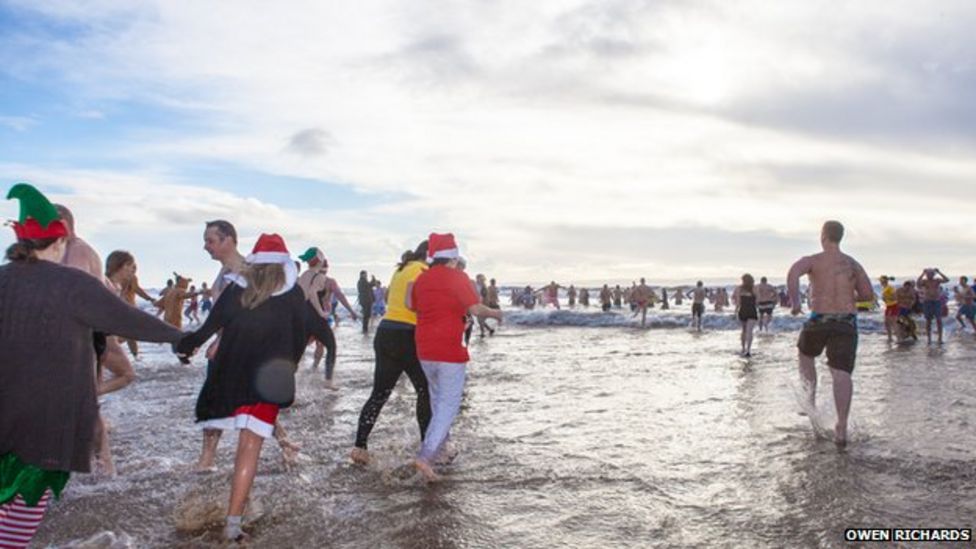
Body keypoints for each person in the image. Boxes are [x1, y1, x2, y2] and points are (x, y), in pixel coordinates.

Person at [0, 184, 183, 547]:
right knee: (25, 505)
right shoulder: (72, 283)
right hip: (44, 423)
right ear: (58, 242)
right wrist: (185, 337)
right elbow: (128, 320)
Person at [176, 233, 333, 542]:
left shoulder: (237, 291)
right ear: (285, 266)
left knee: (232, 439)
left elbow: (206, 329)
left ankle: (218, 506)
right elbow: (314, 332)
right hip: (267, 385)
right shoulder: (291, 298)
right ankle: (233, 525)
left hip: (230, 378)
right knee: (249, 448)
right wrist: (310, 368)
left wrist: (184, 347)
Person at [410, 233, 502, 481]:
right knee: (448, 406)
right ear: (452, 258)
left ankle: (439, 451)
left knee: (437, 399)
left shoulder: (421, 279)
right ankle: (426, 456)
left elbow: (411, 304)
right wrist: (495, 312)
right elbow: (475, 308)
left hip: (423, 348)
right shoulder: (457, 277)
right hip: (448, 350)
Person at [53, 203, 134, 477]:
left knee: (87, 401)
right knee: (84, 402)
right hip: (82, 335)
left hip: (84, 336)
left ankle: (104, 467)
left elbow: (72, 297)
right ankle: (101, 465)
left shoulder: (77, 251)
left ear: (63, 222)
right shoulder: (65, 250)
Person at [787, 221, 873, 446]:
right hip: (846, 321)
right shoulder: (853, 264)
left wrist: (796, 302)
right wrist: (847, 297)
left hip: (819, 318)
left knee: (805, 355)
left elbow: (793, 273)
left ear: (823, 236)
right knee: (841, 372)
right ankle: (842, 425)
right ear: (840, 237)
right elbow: (868, 295)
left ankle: (810, 401)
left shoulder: (813, 260)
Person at [351, 242, 432, 465]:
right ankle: (428, 448)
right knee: (425, 391)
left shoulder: (401, 269)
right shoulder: (424, 271)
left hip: (386, 332)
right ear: (429, 255)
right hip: (408, 335)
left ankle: (360, 447)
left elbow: (388, 300)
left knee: (379, 394)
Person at [297, 247, 357, 389]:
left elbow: (297, 297)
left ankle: (290, 379)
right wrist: (350, 311)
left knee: (298, 350)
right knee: (330, 345)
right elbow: (339, 296)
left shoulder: (303, 276)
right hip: (317, 318)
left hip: (302, 317)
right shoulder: (326, 280)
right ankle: (328, 381)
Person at [105, 250, 157, 359]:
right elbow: (137, 290)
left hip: (124, 307)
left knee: (127, 335)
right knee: (128, 334)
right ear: (123, 266)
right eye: (131, 266)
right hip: (126, 308)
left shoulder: (110, 282)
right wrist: (149, 298)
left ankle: (132, 355)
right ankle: (132, 355)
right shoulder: (113, 284)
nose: (133, 269)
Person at [917, 268, 950, 344]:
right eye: (928, 274)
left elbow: (947, 280)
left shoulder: (937, 280)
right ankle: (929, 339)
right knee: (928, 320)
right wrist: (922, 273)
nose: (929, 275)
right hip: (927, 301)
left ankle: (940, 338)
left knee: (939, 319)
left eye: (931, 274)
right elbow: (918, 283)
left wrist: (939, 272)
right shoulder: (924, 281)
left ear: (933, 274)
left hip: (936, 301)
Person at [733, 274, 759, 357]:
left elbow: (738, 302)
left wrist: (735, 311)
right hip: (752, 310)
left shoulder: (739, 289)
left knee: (744, 331)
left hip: (743, 310)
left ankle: (743, 348)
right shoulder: (755, 288)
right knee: (749, 331)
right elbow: (758, 301)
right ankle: (748, 350)